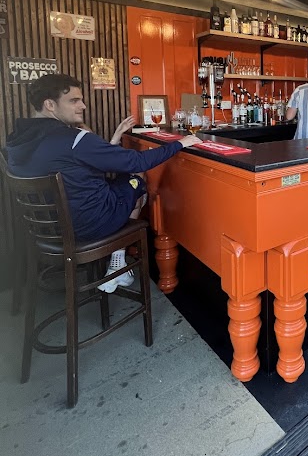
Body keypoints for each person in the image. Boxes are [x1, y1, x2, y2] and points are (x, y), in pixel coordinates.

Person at [6, 74, 201, 293]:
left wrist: (114, 141)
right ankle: (118, 260)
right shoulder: (73, 139)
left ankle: (118, 261)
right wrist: (181, 143)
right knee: (137, 177)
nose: (83, 106)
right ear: (50, 105)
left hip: (47, 231)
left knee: (119, 181)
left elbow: (81, 167)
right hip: (88, 227)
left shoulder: (15, 141)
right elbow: (137, 161)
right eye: (74, 100)